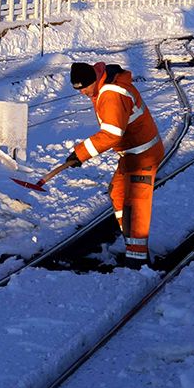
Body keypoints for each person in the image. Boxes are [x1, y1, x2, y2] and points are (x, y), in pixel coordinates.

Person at [62, 61, 164, 265]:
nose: (82, 93)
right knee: (117, 192)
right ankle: (129, 238)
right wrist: (78, 155)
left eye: (84, 88)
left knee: (135, 204)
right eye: (78, 90)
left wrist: (80, 154)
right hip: (131, 154)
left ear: (93, 80)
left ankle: (137, 260)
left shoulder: (112, 94)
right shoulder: (101, 86)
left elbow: (112, 134)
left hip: (143, 155)